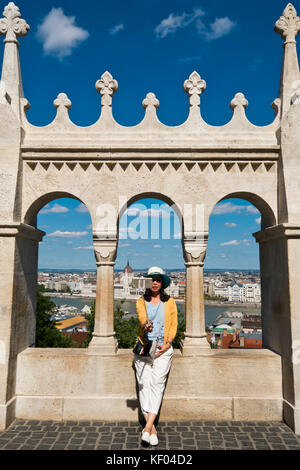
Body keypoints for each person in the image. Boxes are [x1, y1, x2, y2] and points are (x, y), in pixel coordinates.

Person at [134, 266, 178, 446]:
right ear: (147, 282)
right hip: (145, 348)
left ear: (162, 283)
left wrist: (167, 344)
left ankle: (147, 427)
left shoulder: (170, 302)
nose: (155, 282)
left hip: (163, 350)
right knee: (144, 386)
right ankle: (151, 429)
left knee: (157, 386)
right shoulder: (140, 301)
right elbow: (142, 317)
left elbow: (173, 325)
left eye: (158, 280)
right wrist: (146, 326)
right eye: (152, 279)